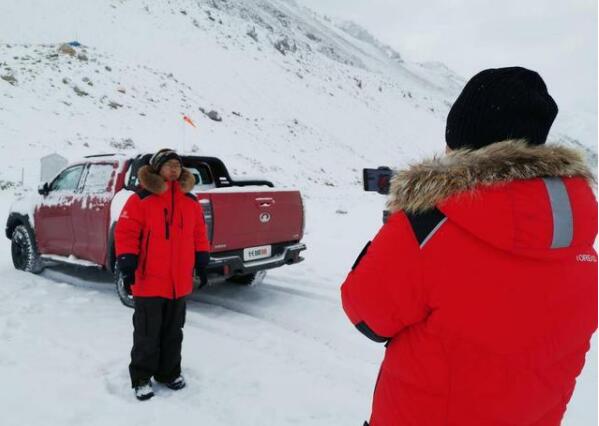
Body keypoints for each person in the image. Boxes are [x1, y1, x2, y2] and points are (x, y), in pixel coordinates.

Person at [341, 67, 597, 425]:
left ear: (463, 143)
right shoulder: (577, 243)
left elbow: (366, 313)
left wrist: (402, 227)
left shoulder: (428, 225)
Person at [115, 148, 211, 401]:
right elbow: (126, 232)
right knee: (147, 332)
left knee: (173, 331)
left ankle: (169, 373)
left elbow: (199, 233)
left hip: (179, 282)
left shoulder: (190, 201)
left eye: (177, 166)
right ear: (157, 169)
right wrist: (127, 262)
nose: (173, 169)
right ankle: (142, 378)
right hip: (149, 280)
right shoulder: (140, 200)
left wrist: (202, 259)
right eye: (168, 165)